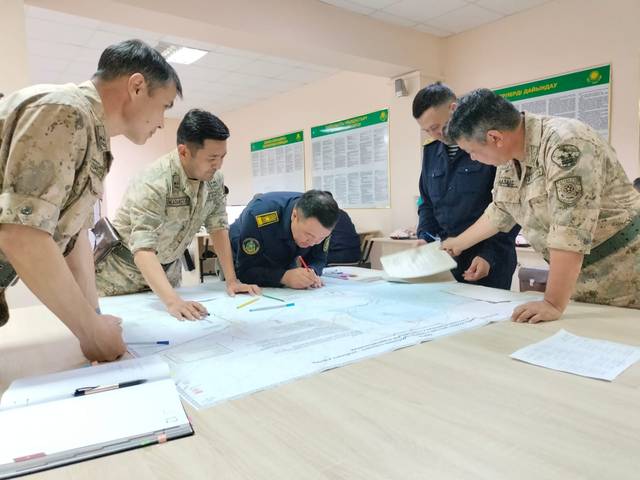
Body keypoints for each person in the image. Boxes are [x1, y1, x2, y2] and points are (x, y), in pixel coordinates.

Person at [0, 39, 182, 361]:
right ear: (137, 87)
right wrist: (91, 332)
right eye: (164, 106)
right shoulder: (64, 111)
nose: (161, 122)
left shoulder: (94, 138)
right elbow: (22, 235)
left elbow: (75, 239)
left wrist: (94, 317)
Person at [442, 88, 640, 323]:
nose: (473, 158)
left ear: (495, 138)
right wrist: (457, 244)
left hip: (627, 275)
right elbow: (501, 210)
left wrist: (552, 303)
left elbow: (570, 231)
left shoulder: (566, 144)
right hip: (582, 282)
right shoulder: (509, 157)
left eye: (472, 151)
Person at [95, 109, 259, 320]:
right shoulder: (154, 181)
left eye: (222, 157)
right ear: (184, 152)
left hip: (167, 274)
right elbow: (143, 247)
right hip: (121, 278)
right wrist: (172, 301)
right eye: (212, 158)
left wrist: (232, 281)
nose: (218, 165)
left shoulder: (214, 180)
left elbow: (218, 226)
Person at [413, 82, 519, 290]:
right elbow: (427, 203)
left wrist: (489, 254)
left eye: (436, 127)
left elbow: (509, 209)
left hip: (488, 258)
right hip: (448, 256)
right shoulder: (431, 152)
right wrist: (425, 238)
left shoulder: (489, 145)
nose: (434, 134)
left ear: (453, 109)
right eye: (427, 130)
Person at [230, 190, 339, 288]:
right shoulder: (260, 216)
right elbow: (245, 270)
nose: (312, 243)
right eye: (308, 235)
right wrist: (284, 277)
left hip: (285, 257)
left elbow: (319, 259)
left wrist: (311, 272)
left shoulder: (321, 224)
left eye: (321, 238)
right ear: (294, 216)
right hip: (242, 249)